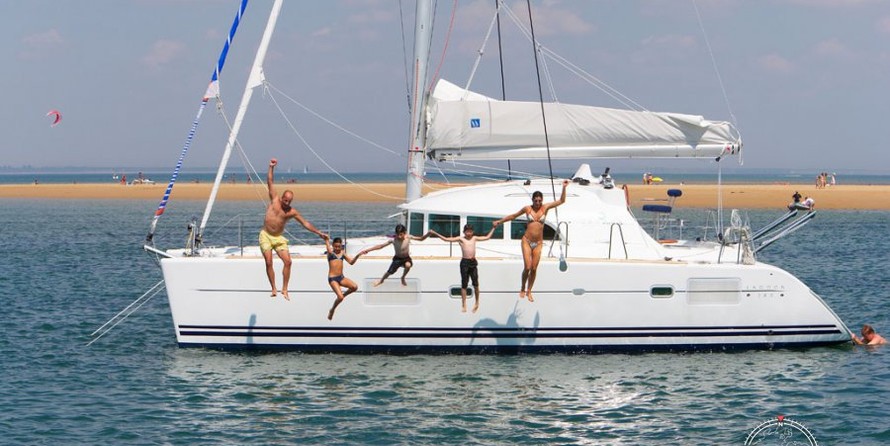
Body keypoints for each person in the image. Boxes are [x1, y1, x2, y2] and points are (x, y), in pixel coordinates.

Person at [260, 158, 327, 300]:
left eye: (289, 201)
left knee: (288, 262)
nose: (287, 203)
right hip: (265, 235)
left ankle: (285, 289)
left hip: (278, 238)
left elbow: (305, 223)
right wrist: (271, 167)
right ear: (282, 197)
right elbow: (270, 181)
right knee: (269, 262)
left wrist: (318, 232)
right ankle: (274, 288)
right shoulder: (274, 200)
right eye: (285, 200)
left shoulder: (292, 212)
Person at [493, 180, 569, 302]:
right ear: (532, 200)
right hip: (527, 241)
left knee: (534, 268)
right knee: (527, 267)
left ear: (542, 200)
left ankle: (529, 290)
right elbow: (513, 216)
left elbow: (561, 201)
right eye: (535, 201)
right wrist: (499, 222)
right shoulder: (527, 209)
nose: (538, 203)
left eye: (539, 201)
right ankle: (522, 287)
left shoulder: (545, 208)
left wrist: (564, 187)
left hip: (538, 243)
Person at [430, 224, 496, 313]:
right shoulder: (461, 239)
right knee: (464, 284)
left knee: (476, 284)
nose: (469, 233)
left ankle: (477, 302)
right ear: (464, 232)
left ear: (472, 232)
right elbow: (446, 239)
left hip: (473, 262)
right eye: (467, 231)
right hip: (465, 262)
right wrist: (435, 233)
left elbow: (487, 237)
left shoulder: (474, 238)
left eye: (470, 231)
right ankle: (464, 304)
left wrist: (493, 227)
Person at [360, 224, 431, 286]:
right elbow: (380, 246)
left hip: (406, 258)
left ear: (405, 233)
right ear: (395, 234)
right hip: (397, 259)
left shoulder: (408, 237)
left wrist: (428, 234)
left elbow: (421, 239)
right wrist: (368, 250)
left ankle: (403, 277)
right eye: (397, 234)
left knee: (408, 265)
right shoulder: (393, 240)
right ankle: (381, 280)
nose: (399, 236)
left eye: (401, 234)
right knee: (389, 272)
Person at [324, 236, 362, 320]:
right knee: (340, 297)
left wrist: (358, 255)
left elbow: (351, 262)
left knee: (354, 287)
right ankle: (332, 310)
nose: (337, 248)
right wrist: (326, 240)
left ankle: (342, 296)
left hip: (341, 277)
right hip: (333, 279)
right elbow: (327, 244)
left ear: (341, 246)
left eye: (339, 246)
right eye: (335, 246)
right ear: (333, 246)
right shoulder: (330, 253)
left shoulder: (342, 253)